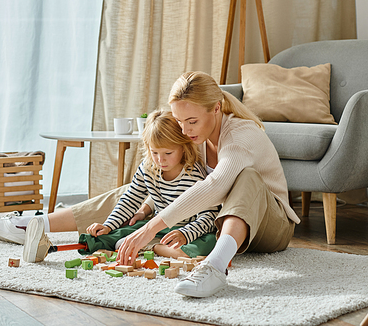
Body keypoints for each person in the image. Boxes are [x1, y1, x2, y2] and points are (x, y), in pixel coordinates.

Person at [114, 71, 300, 298]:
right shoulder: (195, 138)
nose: (184, 130)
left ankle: (214, 267)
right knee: (143, 182)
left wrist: (149, 229)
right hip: (223, 227)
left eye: (192, 121)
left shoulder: (241, 136)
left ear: (216, 108)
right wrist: (145, 207)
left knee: (247, 176)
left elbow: (216, 186)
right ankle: (56, 222)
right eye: (180, 121)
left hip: (271, 228)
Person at [22, 109, 220, 263]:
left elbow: (209, 216)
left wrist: (185, 234)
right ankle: (46, 248)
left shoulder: (193, 175)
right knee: (110, 236)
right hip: (156, 228)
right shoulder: (148, 168)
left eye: (168, 153)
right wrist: (108, 225)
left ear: (183, 148)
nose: (160, 160)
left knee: (208, 244)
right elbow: (129, 199)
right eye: (155, 153)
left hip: (190, 230)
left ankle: (157, 248)